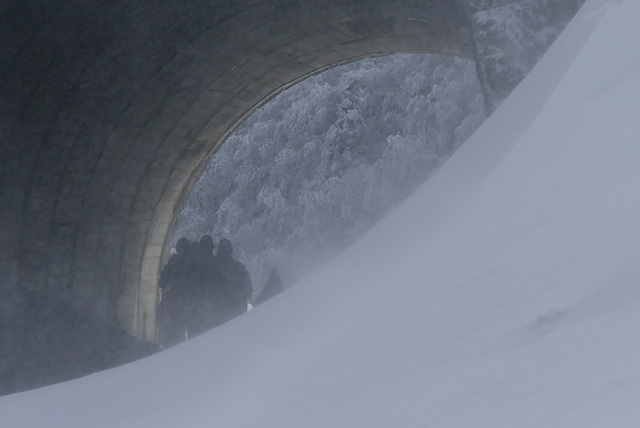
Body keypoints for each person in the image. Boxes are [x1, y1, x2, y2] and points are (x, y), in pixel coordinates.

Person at [158, 238, 194, 347]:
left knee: (171, 336)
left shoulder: (174, 262)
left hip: (173, 304)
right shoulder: (193, 262)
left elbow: (162, 283)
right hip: (189, 303)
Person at [216, 238, 253, 323]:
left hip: (221, 310)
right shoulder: (239, 267)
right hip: (238, 307)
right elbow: (248, 288)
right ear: (231, 251)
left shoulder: (214, 267)